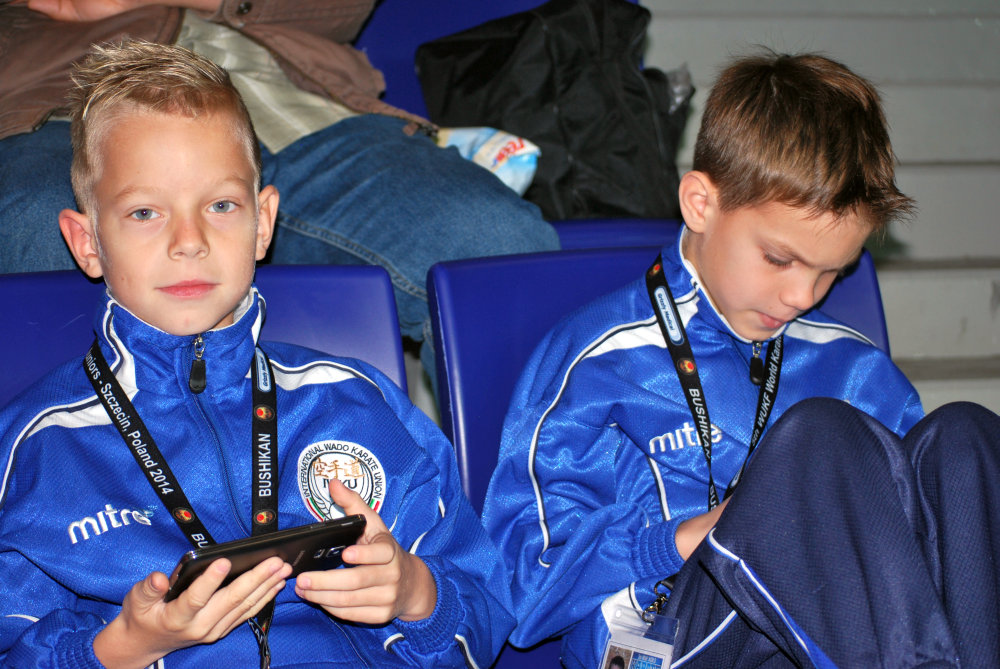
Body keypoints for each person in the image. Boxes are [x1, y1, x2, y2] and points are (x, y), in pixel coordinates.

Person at [0, 40, 513, 667]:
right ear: (87, 242)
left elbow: (484, 616)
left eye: (221, 205)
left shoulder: (354, 400)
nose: (189, 240)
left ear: (263, 222)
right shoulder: (35, 448)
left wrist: (414, 594)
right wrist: (124, 646)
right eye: (145, 212)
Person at [481, 50, 1000, 667]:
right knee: (818, 440)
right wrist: (683, 538)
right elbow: (521, 586)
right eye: (780, 259)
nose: (802, 296)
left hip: (832, 639)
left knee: (965, 436)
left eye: (832, 272)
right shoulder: (598, 363)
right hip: (661, 637)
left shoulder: (855, 369)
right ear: (700, 203)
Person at [0, 0, 559, 375]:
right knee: (40, 235)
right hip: (67, 106)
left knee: (493, 243)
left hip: (291, 108)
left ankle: (526, 512)